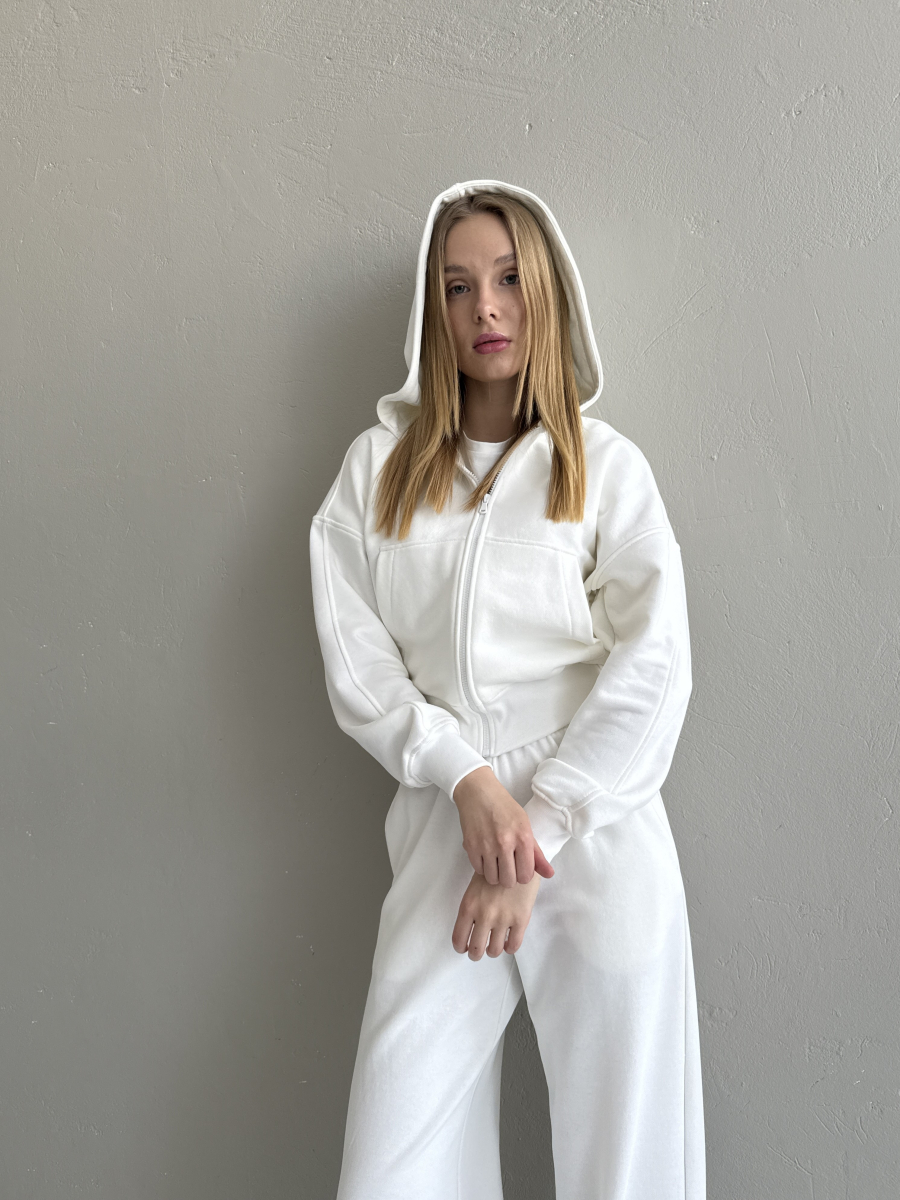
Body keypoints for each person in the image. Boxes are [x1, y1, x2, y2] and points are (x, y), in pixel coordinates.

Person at [309, 179, 705, 1200]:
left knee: (630, 1158)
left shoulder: (606, 468)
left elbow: (656, 664)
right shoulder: (377, 472)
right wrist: (466, 778)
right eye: (457, 286)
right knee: (395, 1158)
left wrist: (547, 824)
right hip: (451, 816)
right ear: (432, 313)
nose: (485, 307)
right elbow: (358, 657)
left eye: (510, 278)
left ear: (549, 292)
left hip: (596, 827)